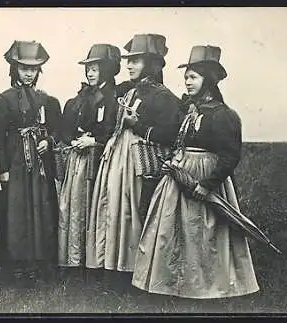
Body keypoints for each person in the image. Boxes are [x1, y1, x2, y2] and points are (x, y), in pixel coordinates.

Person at [132, 45, 260, 300]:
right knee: (173, 230)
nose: (187, 83)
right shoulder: (190, 110)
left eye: (193, 77)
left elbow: (230, 155)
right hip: (180, 176)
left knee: (204, 233)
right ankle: (172, 283)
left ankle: (206, 284)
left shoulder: (223, 116)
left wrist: (207, 183)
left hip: (204, 178)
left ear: (208, 80)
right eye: (186, 77)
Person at [86, 34, 181, 291]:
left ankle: (133, 267)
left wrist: (136, 124)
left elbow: (170, 134)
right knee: (114, 206)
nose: (129, 66)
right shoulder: (128, 91)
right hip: (119, 157)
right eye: (128, 61)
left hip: (140, 162)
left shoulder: (165, 97)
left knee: (131, 210)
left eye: (135, 61)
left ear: (151, 64)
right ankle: (112, 264)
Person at [0, 40, 62, 283]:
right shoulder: (2, 101)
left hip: (39, 163)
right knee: (17, 210)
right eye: (24, 68)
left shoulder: (47, 100)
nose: (29, 73)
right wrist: (4, 169)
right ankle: (18, 262)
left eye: (33, 69)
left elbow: (55, 131)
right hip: (16, 161)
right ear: (14, 69)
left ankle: (40, 260)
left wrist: (48, 141)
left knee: (41, 207)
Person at [58, 44, 120, 277]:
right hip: (79, 159)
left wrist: (94, 140)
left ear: (107, 70)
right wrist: (73, 139)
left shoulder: (115, 97)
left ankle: (96, 262)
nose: (90, 73)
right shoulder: (80, 98)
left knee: (96, 208)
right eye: (89, 69)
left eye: (96, 69)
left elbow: (114, 130)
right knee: (74, 207)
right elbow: (66, 127)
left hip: (101, 159)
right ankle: (75, 259)